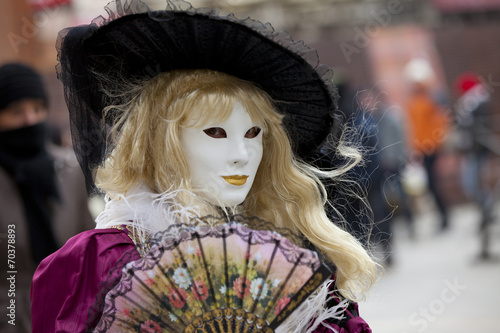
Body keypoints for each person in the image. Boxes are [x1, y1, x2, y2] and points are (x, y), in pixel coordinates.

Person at [31, 1, 380, 332]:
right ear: (161, 141)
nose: (241, 154)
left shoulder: (288, 256)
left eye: (253, 133)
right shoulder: (99, 263)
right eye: (215, 131)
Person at [0, 63, 94, 332]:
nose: (30, 120)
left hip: (68, 317)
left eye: (37, 108)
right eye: (16, 111)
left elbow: (86, 249)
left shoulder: (70, 170)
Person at [406, 81, 450, 231]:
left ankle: (445, 216)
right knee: (429, 185)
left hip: (430, 148)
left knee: (433, 184)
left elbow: (440, 122)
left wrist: (435, 143)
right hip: (422, 150)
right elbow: (414, 128)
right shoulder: (413, 103)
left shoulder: (429, 101)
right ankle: (442, 216)